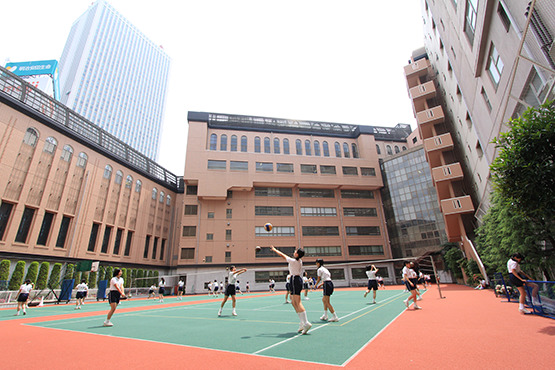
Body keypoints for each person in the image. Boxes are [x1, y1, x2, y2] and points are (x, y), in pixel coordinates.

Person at [270, 245, 312, 334]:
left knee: (297, 302)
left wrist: (275, 250)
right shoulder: (299, 261)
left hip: (294, 280)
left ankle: (306, 322)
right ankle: (301, 322)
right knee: (293, 302)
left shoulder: (293, 261)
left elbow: (283, 255)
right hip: (296, 280)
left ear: (297, 254)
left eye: (296, 251)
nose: (294, 252)